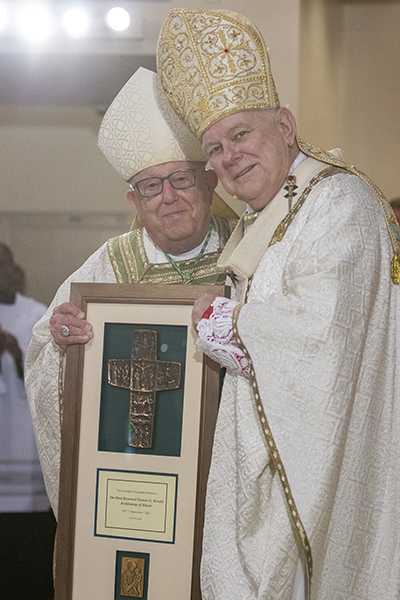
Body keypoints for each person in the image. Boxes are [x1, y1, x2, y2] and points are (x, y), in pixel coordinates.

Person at [157, 9, 400, 600]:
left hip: (313, 476)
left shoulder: (338, 201)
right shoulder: (265, 216)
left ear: (286, 126)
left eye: (240, 134)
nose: (227, 157)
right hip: (264, 468)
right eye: (213, 148)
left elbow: (322, 336)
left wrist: (226, 321)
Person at [25, 67, 237, 518]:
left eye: (181, 178)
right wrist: (63, 342)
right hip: (134, 471)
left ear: (209, 183)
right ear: (134, 202)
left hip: (228, 471)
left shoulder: (246, 254)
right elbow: (44, 345)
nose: (168, 196)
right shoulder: (110, 264)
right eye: (150, 186)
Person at [0, 244, 56, 600]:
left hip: (23, 440)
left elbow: (47, 379)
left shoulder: (38, 315)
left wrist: (17, 354)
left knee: (26, 551)